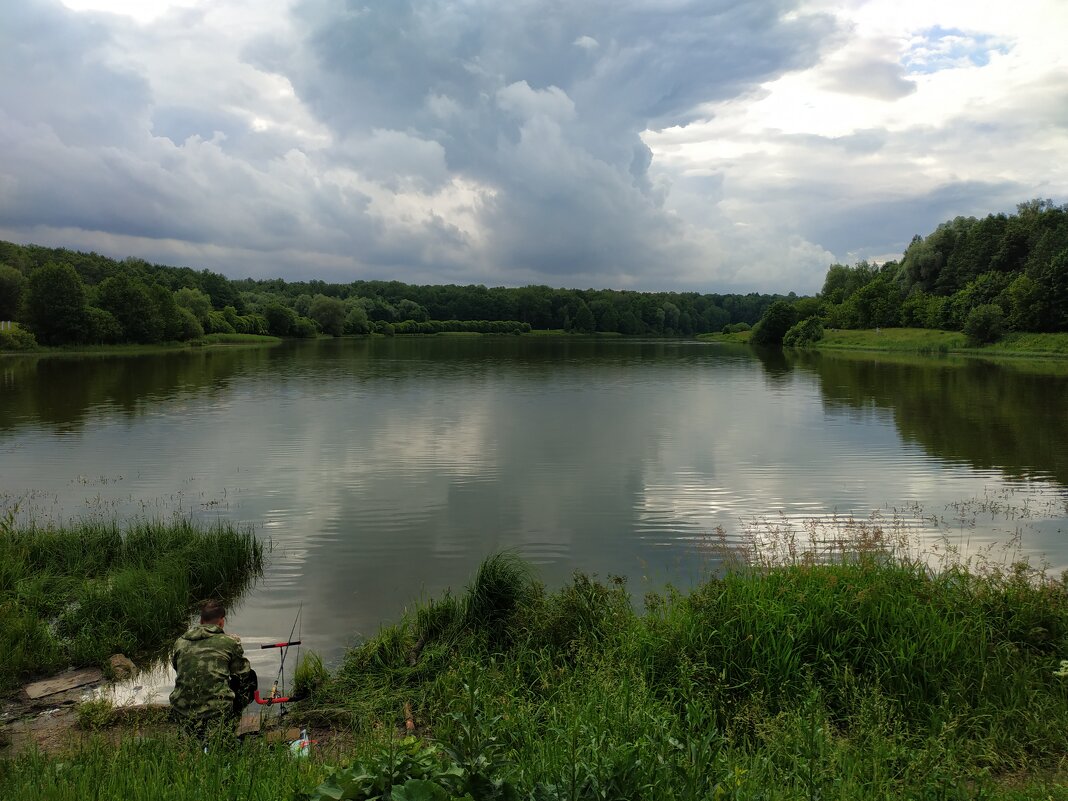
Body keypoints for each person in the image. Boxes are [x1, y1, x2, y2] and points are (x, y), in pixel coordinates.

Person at [170, 600, 258, 742]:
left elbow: (177, 667)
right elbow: (243, 673)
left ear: (200, 620)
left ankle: (190, 727)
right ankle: (230, 724)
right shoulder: (229, 642)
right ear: (221, 622)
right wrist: (234, 645)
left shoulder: (180, 642)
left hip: (182, 710)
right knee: (250, 678)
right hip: (216, 711)